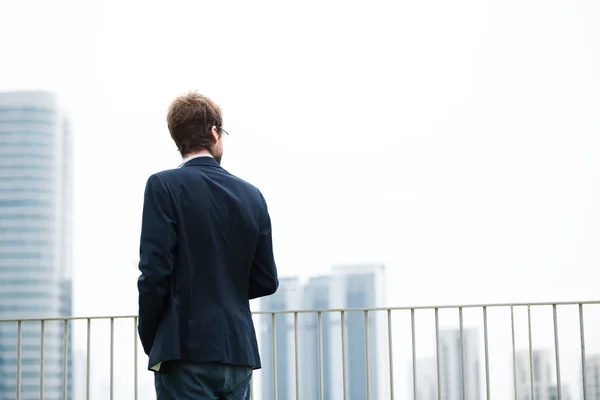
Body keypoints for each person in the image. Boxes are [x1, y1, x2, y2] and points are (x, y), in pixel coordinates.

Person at [137, 91, 279, 399]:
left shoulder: (163, 186)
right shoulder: (252, 195)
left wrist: (153, 338)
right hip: (238, 354)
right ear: (214, 132)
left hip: (183, 349)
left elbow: (154, 272)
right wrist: (225, 286)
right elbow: (266, 279)